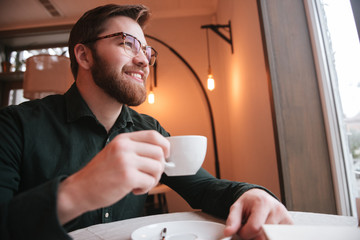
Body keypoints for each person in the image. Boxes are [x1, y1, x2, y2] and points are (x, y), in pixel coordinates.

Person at [0, 4, 293, 240]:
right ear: (84, 55)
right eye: (128, 44)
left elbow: (204, 188)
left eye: (147, 51)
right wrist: (77, 192)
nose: (143, 60)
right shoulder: (14, 126)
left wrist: (251, 194)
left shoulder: (149, 130)